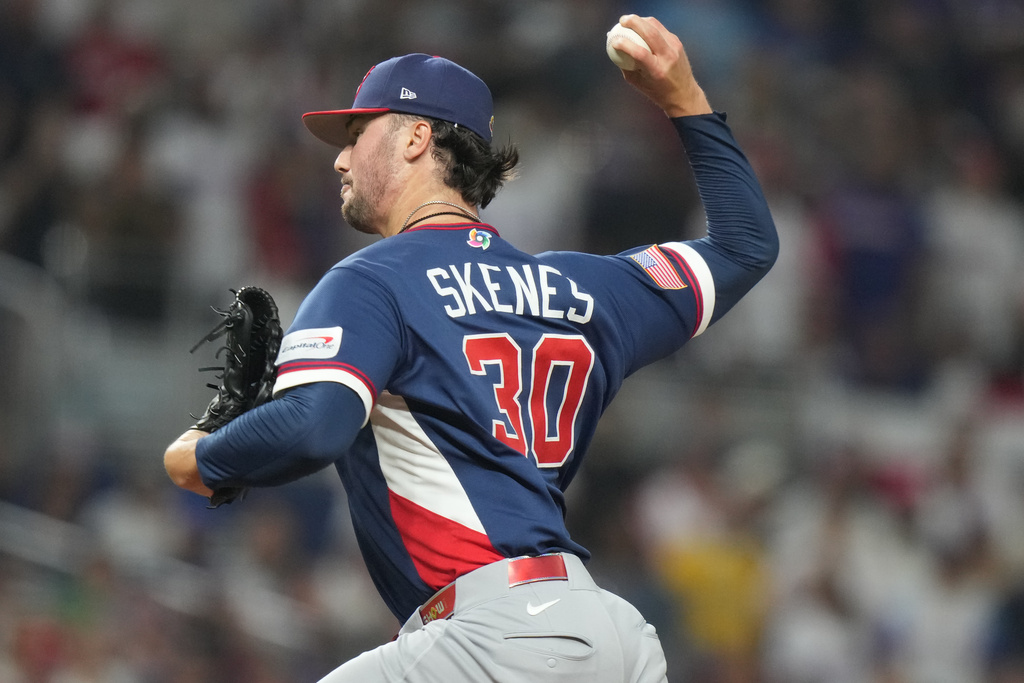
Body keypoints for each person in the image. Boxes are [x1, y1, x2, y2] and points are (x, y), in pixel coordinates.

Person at [164, 14, 778, 683]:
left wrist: (203, 453)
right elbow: (746, 246)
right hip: (606, 636)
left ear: (415, 138)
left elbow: (315, 427)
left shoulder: (373, 282)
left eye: (357, 132)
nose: (340, 157)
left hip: (494, 637)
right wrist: (684, 98)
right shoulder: (584, 285)